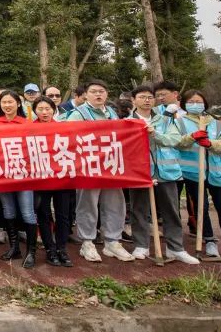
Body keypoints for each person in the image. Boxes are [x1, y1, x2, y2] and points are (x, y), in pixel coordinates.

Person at [125, 85, 198, 265]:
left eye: (150, 97)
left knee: (171, 211)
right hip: (140, 174)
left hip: (167, 172)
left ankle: (175, 248)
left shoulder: (165, 120)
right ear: (133, 100)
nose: (147, 100)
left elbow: (174, 140)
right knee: (139, 210)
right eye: (142, 97)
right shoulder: (127, 122)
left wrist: (155, 134)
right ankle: (141, 245)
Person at [66, 79, 134, 263]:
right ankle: (87, 242)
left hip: (111, 167)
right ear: (85, 94)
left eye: (102, 91)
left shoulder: (112, 113)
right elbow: (70, 138)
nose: (98, 94)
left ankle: (112, 241)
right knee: (87, 205)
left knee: (115, 203)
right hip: (88, 168)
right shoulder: (77, 114)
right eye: (94, 91)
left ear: (107, 94)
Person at [0, 90, 39, 267]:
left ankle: (31, 252)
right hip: (3, 174)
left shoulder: (26, 123)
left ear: (18, 104)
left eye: (11, 102)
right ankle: (14, 248)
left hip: (24, 174)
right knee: (8, 210)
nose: (7, 105)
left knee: (27, 211)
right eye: (4, 102)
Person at [176, 89, 221, 256]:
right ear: (184, 104)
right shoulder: (179, 122)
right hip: (193, 173)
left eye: (198, 101)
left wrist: (210, 143)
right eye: (191, 102)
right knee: (200, 208)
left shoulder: (216, 122)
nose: (195, 104)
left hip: (216, 172)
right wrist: (192, 137)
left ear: (205, 103)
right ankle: (209, 240)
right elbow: (177, 143)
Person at [31, 96, 74, 266]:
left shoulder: (63, 128)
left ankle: (62, 248)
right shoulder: (28, 129)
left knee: (63, 214)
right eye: (40, 109)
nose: (44, 112)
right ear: (35, 111)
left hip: (61, 178)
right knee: (43, 214)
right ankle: (50, 248)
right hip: (40, 179)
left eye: (47, 108)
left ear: (54, 109)